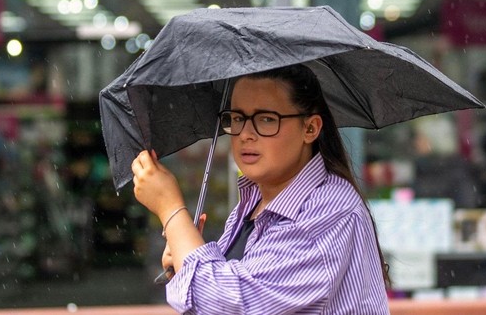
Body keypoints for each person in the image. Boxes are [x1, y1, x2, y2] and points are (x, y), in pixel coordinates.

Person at [131, 64, 390, 314]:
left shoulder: (328, 209)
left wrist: (171, 210)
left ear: (310, 128)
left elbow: (230, 305)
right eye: (237, 118)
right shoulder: (253, 202)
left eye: (266, 119)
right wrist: (185, 254)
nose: (245, 134)